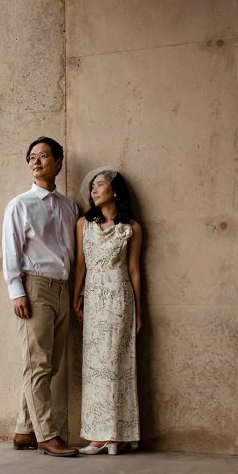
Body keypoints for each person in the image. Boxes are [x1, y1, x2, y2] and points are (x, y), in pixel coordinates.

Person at [2, 136, 80, 457]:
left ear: (58, 163)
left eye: (44, 156)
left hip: (62, 287)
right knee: (37, 364)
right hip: (35, 288)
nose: (36, 161)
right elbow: (11, 252)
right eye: (32, 157)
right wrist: (16, 291)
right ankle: (47, 435)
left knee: (48, 364)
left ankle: (24, 430)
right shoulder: (20, 205)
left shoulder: (70, 206)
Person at [72, 166, 143, 455]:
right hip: (94, 302)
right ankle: (97, 436)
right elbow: (80, 264)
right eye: (91, 187)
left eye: (99, 185)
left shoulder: (132, 228)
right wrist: (76, 296)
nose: (94, 190)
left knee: (117, 366)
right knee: (95, 369)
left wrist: (140, 311)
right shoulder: (83, 225)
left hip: (119, 300)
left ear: (113, 190)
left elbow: (135, 270)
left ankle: (118, 435)